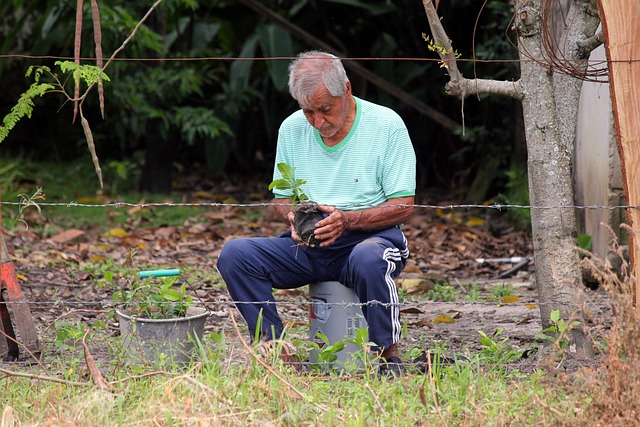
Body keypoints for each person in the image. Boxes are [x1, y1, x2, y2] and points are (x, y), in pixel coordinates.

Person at [216, 50, 416, 374]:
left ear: (346, 90)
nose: (318, 122)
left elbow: (403, 206)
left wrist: (347, 220)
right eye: (308, 112)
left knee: (368, 259)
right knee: (235, 255)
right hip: (310, 244)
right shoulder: (292, 129)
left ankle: (388, 357)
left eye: (325, 109)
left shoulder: (387, 125)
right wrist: (292, 216)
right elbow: (280, 199)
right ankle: (276, 351)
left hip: (369, 240)